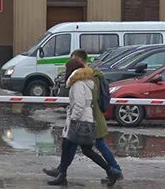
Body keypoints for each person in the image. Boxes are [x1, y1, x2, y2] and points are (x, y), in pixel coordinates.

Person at [44, 51, 123, 185]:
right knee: (73, 146)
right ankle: (62, 172)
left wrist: (73, 120)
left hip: (81, 120)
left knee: (81, 147)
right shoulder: (87, 79)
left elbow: (80, 104)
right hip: (85, 118)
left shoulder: (78, 83)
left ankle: (113, 170)